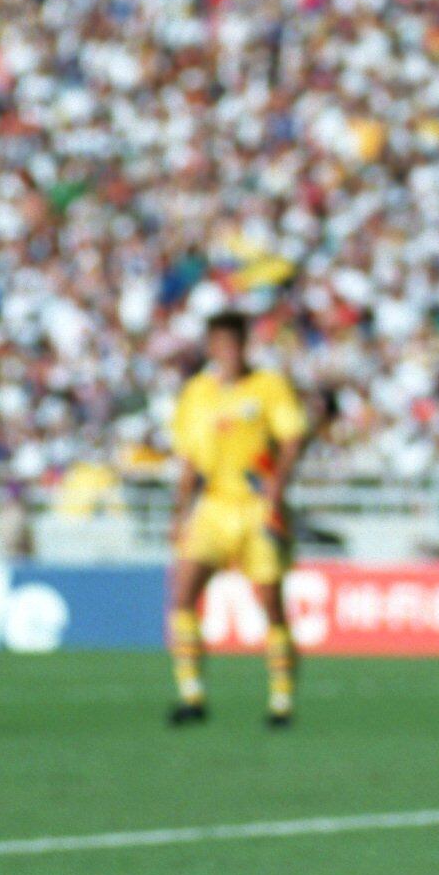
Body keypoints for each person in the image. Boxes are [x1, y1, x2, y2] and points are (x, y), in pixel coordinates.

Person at [164, 311, 309, 728]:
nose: (227, 352)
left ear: (245, 345)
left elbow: (292, 439)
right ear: (211, 348)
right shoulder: (197, 393)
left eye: (234, 343)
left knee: (270, 604)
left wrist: (277, 493)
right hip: (213, 506)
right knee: (183, 593)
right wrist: (180, 513)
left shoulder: (268, 386)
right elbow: (190, 461)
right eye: (219, 345)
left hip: (256, 507)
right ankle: (192, 695)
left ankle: (281, 701)